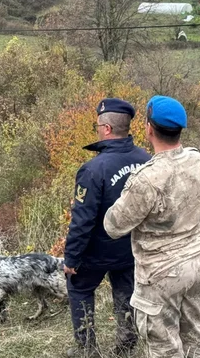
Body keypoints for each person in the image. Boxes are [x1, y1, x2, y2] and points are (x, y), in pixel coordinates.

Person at [104, 95, 200, 358]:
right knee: (195, 333)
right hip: (198, 260)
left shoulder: (148, 178)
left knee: (163, 345)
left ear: (148, 128)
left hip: (162, 272)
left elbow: (113, 225)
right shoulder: (198, 160)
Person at [64, 98, 152, 357]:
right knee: (127, 296)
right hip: (132, 249)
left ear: (106, 129)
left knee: (79, 289)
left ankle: (87, 348)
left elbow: (83, 219)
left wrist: (72, 257)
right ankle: (125, 345)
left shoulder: (93, 169)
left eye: (97, 125)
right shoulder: (146, 159)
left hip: (96, 252)